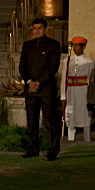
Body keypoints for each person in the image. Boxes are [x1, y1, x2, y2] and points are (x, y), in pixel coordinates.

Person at [18, 18, 62, 160]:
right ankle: (32, 148)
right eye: (35, 28)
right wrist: (30, 82)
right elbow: (22, 66)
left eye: (40, 28)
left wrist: (38, 82)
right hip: (30, 89)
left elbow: (53, 67)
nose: (37, 31)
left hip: (46, 89)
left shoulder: (53, 45)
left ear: (45, 29)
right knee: (31, 120)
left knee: (50, 120)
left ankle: (52, 150)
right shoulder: (27, 45)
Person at [60, 37, 95, 142]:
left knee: (85, 117)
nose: (74, 48)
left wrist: (91, 99)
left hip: (83, 91)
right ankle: (70, 139)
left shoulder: (89, 62)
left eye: (77, 45)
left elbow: (92, 82)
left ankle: (87, 140)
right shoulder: (67, 60)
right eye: (73, 45)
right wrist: (63, 96)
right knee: (70, 115)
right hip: (71, 91)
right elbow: (64, 79)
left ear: (83, 47)